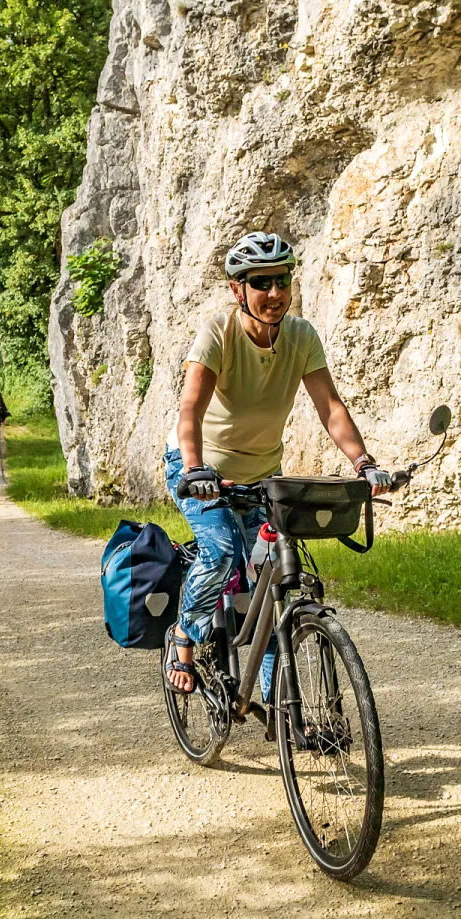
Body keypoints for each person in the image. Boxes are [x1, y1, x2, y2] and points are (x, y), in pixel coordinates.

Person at [164, 231, 395, 699]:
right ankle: (184, 637)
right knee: (224, 551)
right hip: (200, 470)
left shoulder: (300, 336)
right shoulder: (218, 333)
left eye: (282, 281)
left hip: (262, 475)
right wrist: (194, 469)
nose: (274, 293)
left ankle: (277, 703)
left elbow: (330, 406)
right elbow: (190, 409)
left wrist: (364, 463)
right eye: (261, 282)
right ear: (238, 289)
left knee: (272, 579)